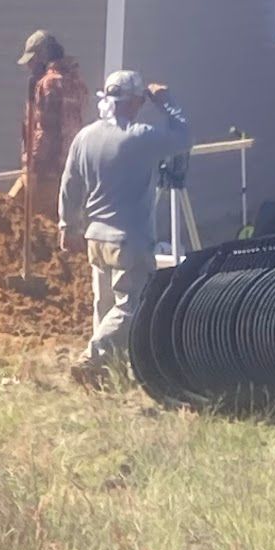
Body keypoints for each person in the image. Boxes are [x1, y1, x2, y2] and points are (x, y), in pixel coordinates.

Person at [59, 69, 191, 380]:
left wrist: (68, 226)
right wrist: (166, 101)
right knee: (132, 307)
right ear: (134, 102)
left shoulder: (85, 137)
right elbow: (184, 138)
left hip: (95, 238)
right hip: (129, 239)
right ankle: (93, 357)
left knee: (105, 306)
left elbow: (69, 184)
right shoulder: (139, 137)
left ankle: (106, 373)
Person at [14, 30, 90, 211]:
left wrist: (31, 166)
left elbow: (44, 130)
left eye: (32, 60)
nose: (29, 66)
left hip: (47, 172)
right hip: (71, 169)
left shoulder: (48, 83)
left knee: (18, 213)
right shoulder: (77, 82)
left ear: (43, 57)